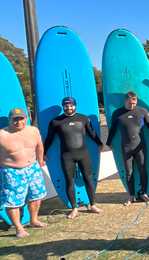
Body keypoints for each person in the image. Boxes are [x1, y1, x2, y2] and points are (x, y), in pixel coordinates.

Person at [43, 96, 104, 218]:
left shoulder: (83, 118)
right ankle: (74, 208)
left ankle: (93, 205)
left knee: (88, 179)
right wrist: (44, 152)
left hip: (83, 154)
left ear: (75, 106)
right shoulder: (56, 122)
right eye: (66, 106)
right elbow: (49, 138)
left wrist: (99, 143)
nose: (69, 108)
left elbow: (91, 132)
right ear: (63, 106)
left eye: (71, 105)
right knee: (69, 182)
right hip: (67, 156)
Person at [106, 90, 149, 206]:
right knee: (129, 172)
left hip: (140, 146)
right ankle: (131, 196)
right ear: (125, 101)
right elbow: (113, 129)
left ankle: (144, 194)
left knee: (142, 170)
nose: (132, 105)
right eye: (130, 103)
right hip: (126, 147)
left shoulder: (142, 111)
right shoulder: (117, 113)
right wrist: (108, 142)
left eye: (134, 103)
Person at [0, 108, 48, 238]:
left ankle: (34, 220)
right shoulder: (2, 135)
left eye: (21, 118)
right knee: (12, 201)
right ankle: (18, 227)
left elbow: (39, 145)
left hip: (33, 168)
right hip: (11, 172)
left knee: (36, 195)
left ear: (26, 119)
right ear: (9, 120)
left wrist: (41, 159)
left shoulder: (33, 130)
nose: (18, 122)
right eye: (15, 119)